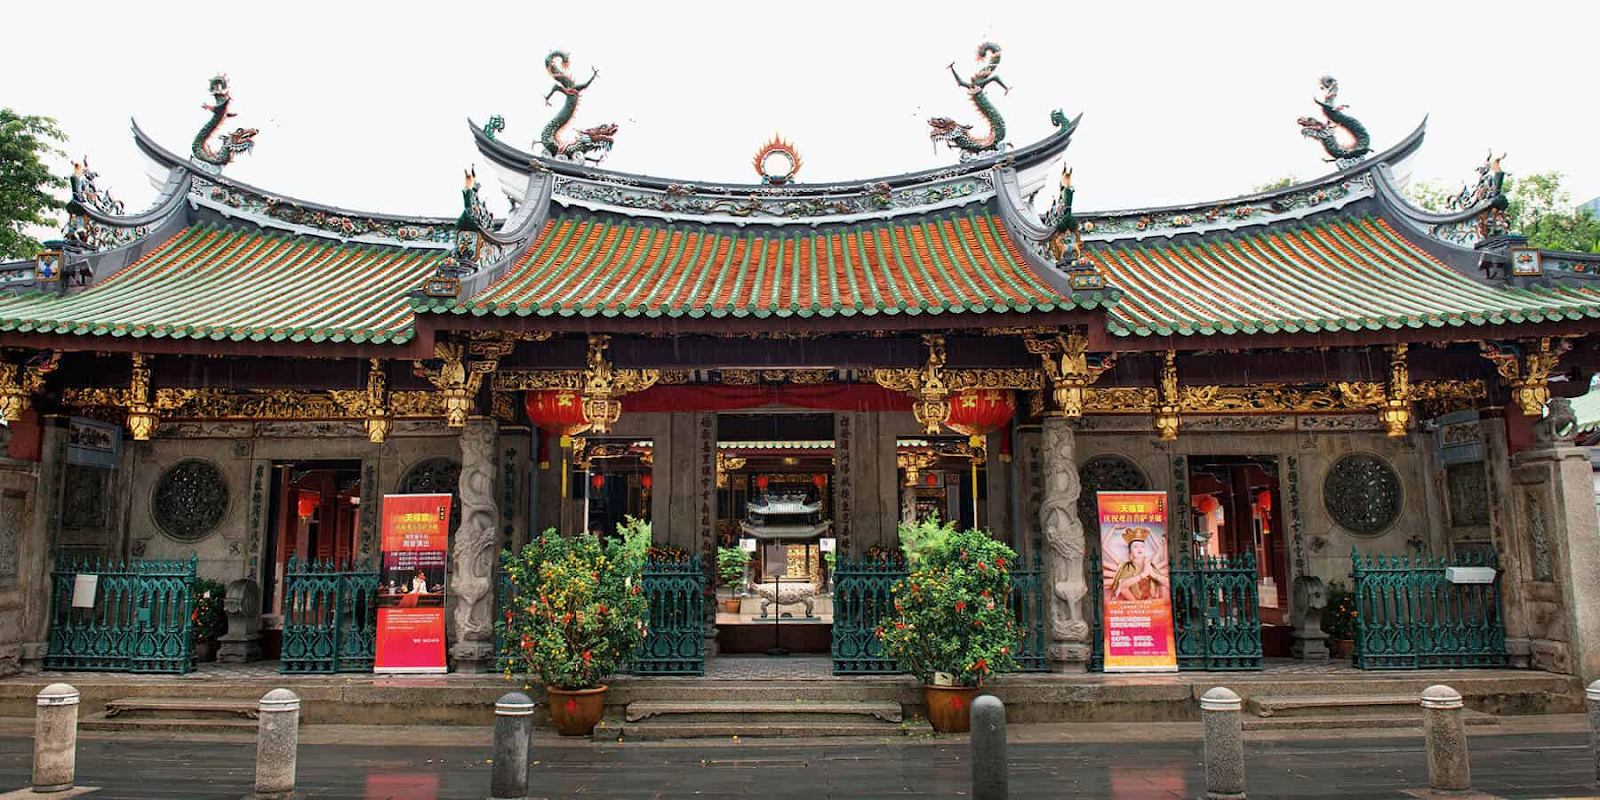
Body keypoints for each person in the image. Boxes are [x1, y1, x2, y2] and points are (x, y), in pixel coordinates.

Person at [1108, 528, 1169, 601]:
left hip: (1153, 602)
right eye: (1135, 546)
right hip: (1134, 603)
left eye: (1142, 546)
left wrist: (1153, 574)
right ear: (1130, 552)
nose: (1139, 549)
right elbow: (1121, 586)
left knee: (1162, 585)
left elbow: (1160, 550)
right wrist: (1113, 528)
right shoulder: (1124, 567)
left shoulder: (1151, 564)